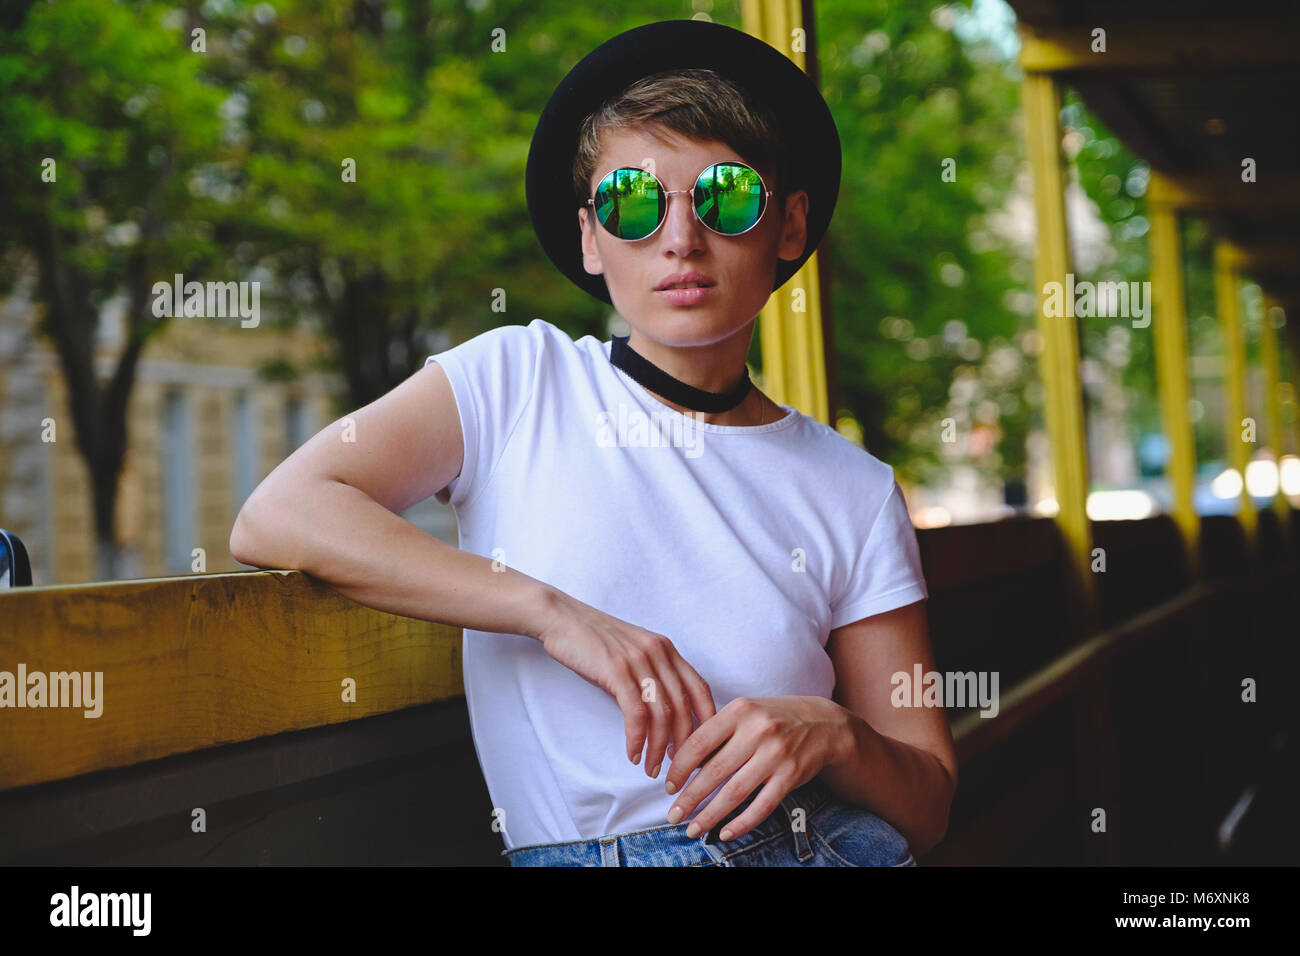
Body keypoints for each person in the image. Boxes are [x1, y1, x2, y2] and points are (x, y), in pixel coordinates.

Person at [231, 19, 957, 867]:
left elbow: (930, 802)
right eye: (634, 203)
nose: (681, 239)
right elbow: (279, 514)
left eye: (725, 197)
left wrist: (834, 735)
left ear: (788, 226)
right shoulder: (518, 380)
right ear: (590, 237)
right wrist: (553, 614)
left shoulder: (853, 488)